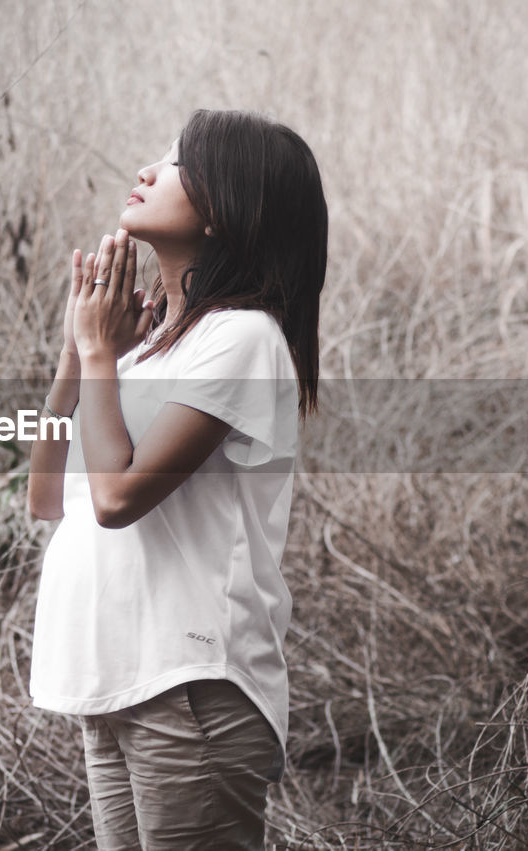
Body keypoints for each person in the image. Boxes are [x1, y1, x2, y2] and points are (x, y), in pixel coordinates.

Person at [27, 108, 327, 849]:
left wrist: (100, 358)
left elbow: (118, 498)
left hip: (190, 686)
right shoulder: (141, 349)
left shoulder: (243, 338)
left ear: (228, 212)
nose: (147, 171)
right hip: (120, 685)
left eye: (178, 164)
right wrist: (78, 358)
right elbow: (45, 496)